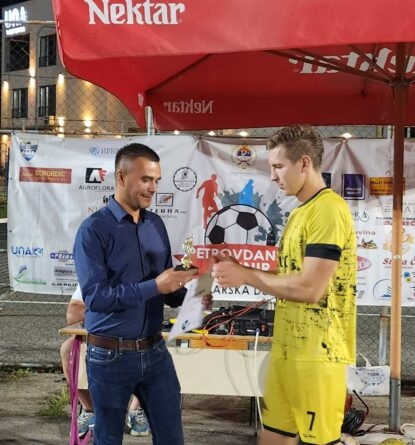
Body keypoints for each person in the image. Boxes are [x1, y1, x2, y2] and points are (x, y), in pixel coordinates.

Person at [211, 126, 357, 445]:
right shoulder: (299, 212)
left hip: (317, 354)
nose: (273, 176)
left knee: (319, 440)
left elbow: (309, 288)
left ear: (304, 163)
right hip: (287, 349)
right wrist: (241, 268)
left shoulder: (328, 210)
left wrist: (246, 276)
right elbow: (290, 271)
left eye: (278, 166)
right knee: (274, 436)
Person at [73, 142, 212, 445]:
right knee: (108, 439)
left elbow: (166, 291)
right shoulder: (92, 231)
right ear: (121, 178)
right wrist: (156, 286)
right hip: (109, 355)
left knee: (172, 438)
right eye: (146, 179)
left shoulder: (155, 224)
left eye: (157, 180)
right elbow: (96, 298)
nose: (153, 188)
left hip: (155, 351)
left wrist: (192, 294)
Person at [60, 285, 150, 438]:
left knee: (152, 348)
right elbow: (73, 314)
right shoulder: (92, 278)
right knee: (67, 350)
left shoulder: (142, 277)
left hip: (134, 336)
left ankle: (135, 409)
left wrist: (100, 311)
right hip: (97, 335)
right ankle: (90, 410)